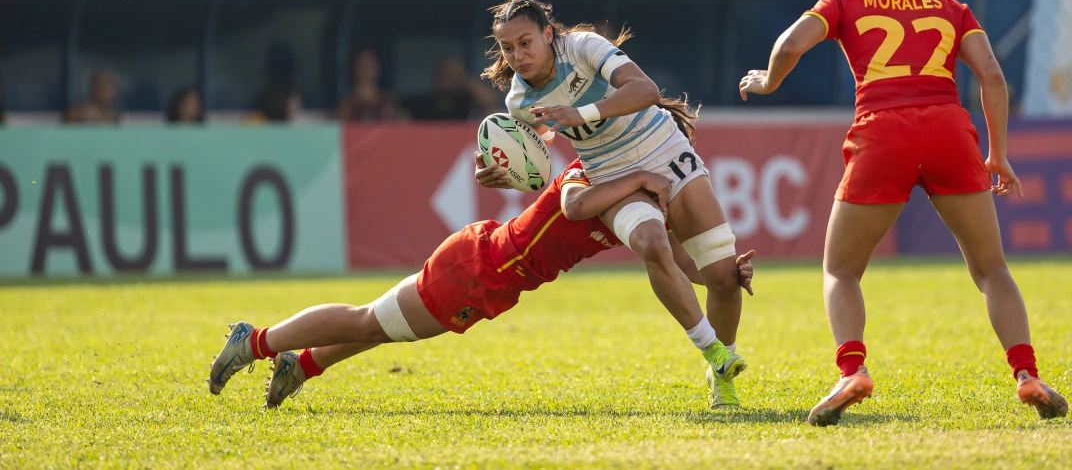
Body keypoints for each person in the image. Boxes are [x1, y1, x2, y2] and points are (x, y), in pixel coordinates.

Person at [739, 0, 1069, 425]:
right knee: (991, 269)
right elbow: (994, 77)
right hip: (948, 132)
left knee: (841, 269)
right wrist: (998, 154)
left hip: (883, 134)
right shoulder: (951, 7)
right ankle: (1027, 375)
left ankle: (853, 369)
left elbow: (788, 46)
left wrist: (767, 81)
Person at [205, 154, 756, 409]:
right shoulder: (602, 172)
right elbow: (573, 201)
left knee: (382, 327)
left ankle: (299, 365)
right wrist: (639, 173)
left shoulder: (638, 204)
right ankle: (255, 341)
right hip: (478, 271)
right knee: (369, 321)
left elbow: (674, 264)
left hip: (490, 278)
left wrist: (721, 276)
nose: (674, 169)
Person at [481, 0, 747, 409]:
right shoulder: (519, 100)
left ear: (548, 34)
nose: (518, 56)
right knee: (651, 243)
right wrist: (503, 172)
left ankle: (722, 374)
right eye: (507, 48)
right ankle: (716, 356)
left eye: (525, 42)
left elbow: (645, 90)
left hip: (666, 150)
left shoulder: (584, 45)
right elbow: (535, 157)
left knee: (724, 279)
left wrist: (582, 113)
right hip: (610, 172)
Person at [404, 56, 496, 121]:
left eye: (452, 76)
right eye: (445, 75)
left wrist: (464, 77)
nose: (448, 80)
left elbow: (490, 101)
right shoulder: (422, 104)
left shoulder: (464, 101)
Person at [335, 49, 402, 122]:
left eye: (371, 66)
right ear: (355, 70)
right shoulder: (347, 105)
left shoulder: (388, 103)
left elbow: (403, 125)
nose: (367, 71)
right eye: (363, 66)